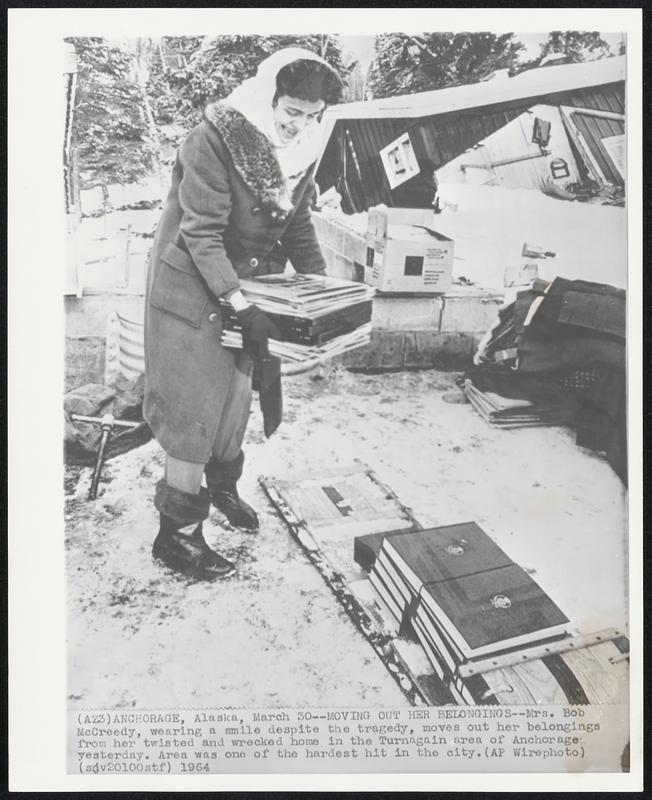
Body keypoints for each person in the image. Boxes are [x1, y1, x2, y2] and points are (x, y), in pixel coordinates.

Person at [143, 48, 343, 581]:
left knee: (234, 400)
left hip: (246, 291)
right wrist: (240, 302)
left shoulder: (303, 150)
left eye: (311, 115)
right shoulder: (213, 137)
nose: (299, 125)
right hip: (193, 286)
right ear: (268, 97)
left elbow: (298, 222)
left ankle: (222, 488)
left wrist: (318, 290)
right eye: (291, 112)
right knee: (194, 410)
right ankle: (177, 535)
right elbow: (200, 233)